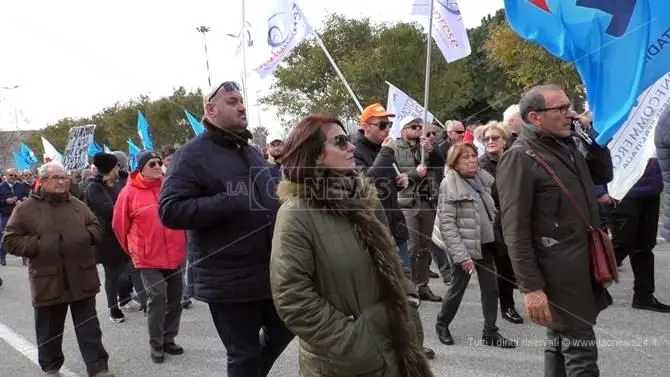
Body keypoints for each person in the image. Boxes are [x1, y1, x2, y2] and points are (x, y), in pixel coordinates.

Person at [270, 114, 433, 377]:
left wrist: (408, 297)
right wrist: (356, 340)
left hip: (397, 347)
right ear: (316, 155)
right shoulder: (296, 213)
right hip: (346, 364)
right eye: (341, 141)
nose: (352, 147)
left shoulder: (364, 198)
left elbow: (390, 255)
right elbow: (292, 298)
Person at [159, 80, 293, 377]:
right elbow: (169, 211)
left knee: (288, 328)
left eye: (241, 101)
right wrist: (227, 200)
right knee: (243, 353)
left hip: (270, 271)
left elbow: (270, 197)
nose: (242, 106)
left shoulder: (251, 151)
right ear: (211, 109)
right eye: (232, 101)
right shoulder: (191, 155)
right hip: (228, 280)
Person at [497, 85, 613, 376]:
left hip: (578, 264)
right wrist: (532, 288)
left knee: (560, 342)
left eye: (569, 107)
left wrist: (589, 134)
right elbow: (514, 230)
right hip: (556, 273)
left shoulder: (567, 144)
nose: (570, 114)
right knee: (581, 354)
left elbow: (603, 174)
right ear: (535, 117)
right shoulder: (520, 157)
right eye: (561, 109)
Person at [2, 161, 115, 377]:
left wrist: (85, 235)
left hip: (81, 274)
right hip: (48, 278)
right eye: (55, 177)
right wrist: (39, 244)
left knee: (89, 327)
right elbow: (10, 240)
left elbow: (95, 226)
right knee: (49, 328)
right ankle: (51, 367)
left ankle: (98, 367)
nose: (62, 181)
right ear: (42, 181)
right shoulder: (25, 209)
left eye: (64, 177)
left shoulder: (77, 205)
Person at [354, 104, 435, 360]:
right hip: (374, 234)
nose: (387, 129)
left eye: (389, 124)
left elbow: (384, 190)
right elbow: (366, 184)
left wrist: (400, 182)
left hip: (395, 228)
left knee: (407, 289)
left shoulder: (381, 151)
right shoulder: (356, 152)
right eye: (381, 125)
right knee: (379, 292)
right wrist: (388, 154)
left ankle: (413, 345)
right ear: (365, 126)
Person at [432, 142, 516, 348]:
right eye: (465, 157)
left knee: (491, 289)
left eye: (473, 155)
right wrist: (462, 256)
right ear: (454, 163)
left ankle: (490, 332)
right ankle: (442, 323)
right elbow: (448, 224)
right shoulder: (449, 184)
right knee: (457, 289)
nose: (471, 160)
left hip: (485, 243)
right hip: (463, 246)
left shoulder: (481, 179)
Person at [113, 151, 187, 363]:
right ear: (141, 168)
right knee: (158, 297)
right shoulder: (128, 193)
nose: (157, 166)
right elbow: (119, 226)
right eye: (152, 163)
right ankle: (156, 344)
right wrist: (133, 251)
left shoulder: (170, 186)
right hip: (147, 258)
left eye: (159, 163)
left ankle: (169, 339)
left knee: (175, 300)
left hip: (174, 253)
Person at [596, 158, 670, 312]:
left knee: (645, 246)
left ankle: (644, 295)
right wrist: (599, 191)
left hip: (651, 189)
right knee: (621, 244)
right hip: (621, 191)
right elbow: (593, 156)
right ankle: (594, 286)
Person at [478, 123, 523, 324]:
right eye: (487, 138)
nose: (490, 141)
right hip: (493, 220)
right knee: (503, 265)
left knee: (516, 263)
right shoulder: (481, 164)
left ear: (505, 141)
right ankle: (507, 306)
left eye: (495, 138)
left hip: (516, 217)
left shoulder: (515, 159)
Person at [395, 116, 444, 302]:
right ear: (403, 130)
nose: (418, 130)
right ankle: (409, 288)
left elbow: (441, 163)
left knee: (424, 248)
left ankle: (423, 286)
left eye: (419, 126)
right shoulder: (395, 148)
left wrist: (431, 149)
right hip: (408, 202)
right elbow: (395, 174)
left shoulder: (425, 145)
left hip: (427, 201)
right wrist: (415, 173)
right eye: (413, 127)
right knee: (411, 248)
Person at [87, 152, 140, 323]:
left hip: (122, 234)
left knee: (127, 272)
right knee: (112, 275)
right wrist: (128, 208)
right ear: (111, 167)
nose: (120, 168)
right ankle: (113, 309)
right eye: (117, 165)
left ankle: (126, 299)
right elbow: (108, 210)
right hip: (107, 239)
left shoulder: (117, 184)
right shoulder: (94, 187)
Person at [0, 168, 30, 265]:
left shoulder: (21, 186)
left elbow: (26, 197)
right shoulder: (1, 187)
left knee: (23, 235)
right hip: (6, 215)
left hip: (20, 215)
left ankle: (24, 257)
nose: (13, 177)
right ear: (6, 176)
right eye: (11, 175)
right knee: (5, 236)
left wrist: (22, 201)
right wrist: (5, 201)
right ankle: (2, 256)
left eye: (15, 175)